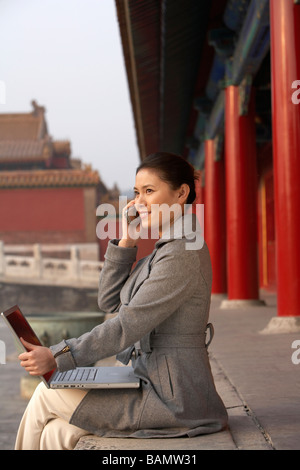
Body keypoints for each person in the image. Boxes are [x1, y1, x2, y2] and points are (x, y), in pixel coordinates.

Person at [15, 152, 228, 450]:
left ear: (181, 193)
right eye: (137, 192)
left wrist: (57, 355)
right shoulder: (161, 252)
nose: (139, 201)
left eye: (150, 191)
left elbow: (126, 326)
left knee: (46, 394)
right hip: (147, 381)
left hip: (174, 397)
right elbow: (109, 300)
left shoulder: (182, 254)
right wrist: (127, 240)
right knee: (55, 433)